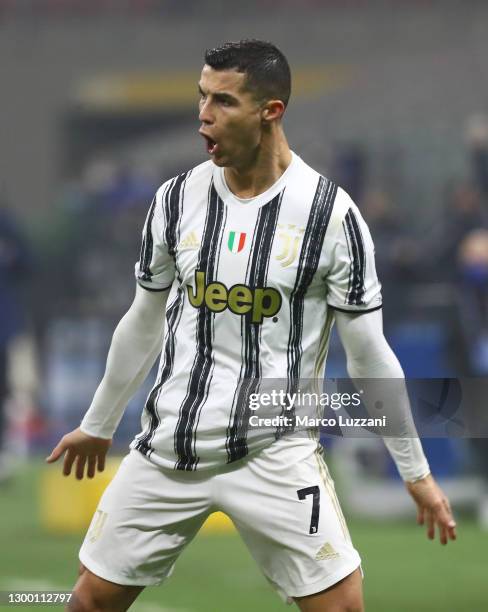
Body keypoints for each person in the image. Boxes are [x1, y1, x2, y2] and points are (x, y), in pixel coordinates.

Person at [47, 40, 456, 612]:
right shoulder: (175, 199)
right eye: (201, 98)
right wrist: (98, 423)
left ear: (271, 111)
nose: (203, 116)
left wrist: (415, 471)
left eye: (222, 101)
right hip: (171, 447)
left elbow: (369, 356)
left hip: (274, 449)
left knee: (341, 607)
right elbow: (142, 320)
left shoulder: (330, 216)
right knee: (90, 603)